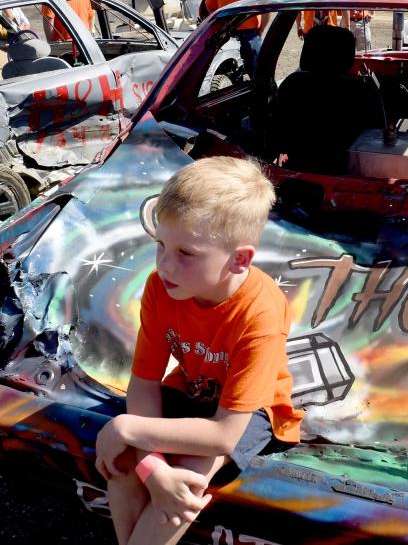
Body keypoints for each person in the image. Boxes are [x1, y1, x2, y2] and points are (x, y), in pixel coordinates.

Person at [96, 156, 302, 545]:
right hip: (194, 388)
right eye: (160, 244)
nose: (164, 264)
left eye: (186, 253)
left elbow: (224, 435)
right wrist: (151, 469)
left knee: (185, 483)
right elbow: (143, 383)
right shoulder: (161, 288)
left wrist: (126, 429)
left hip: (250, 411)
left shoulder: (261, 315)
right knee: (123, 465)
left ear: (239, 260)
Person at [204, 0, 269, 76]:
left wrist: (222, 21)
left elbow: (209, 6)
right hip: (250, 34)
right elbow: (266, 9)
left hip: (227, 32)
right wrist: (261, 30)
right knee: (258, 73)